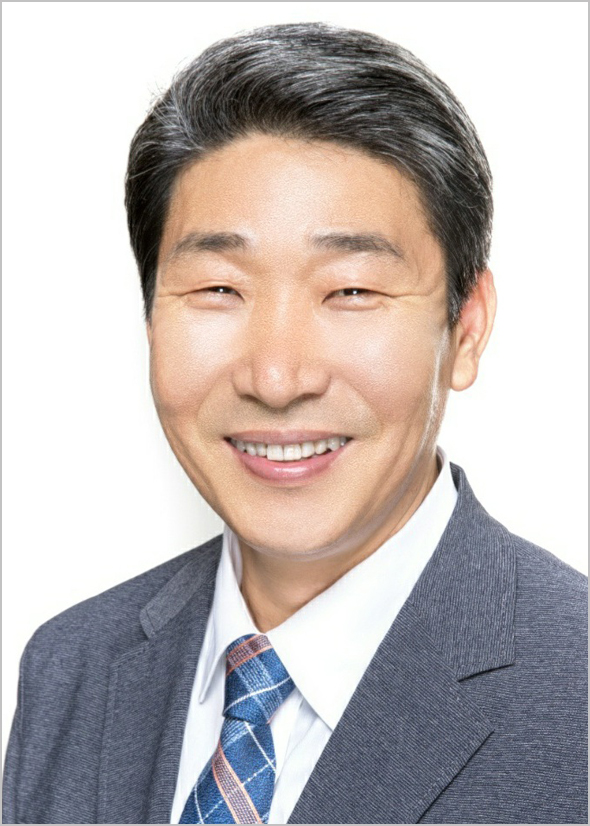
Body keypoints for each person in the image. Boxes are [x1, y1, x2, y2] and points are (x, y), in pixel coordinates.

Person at [3, 21, 586, 825]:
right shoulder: (73, 667)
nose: (276, 378)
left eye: (351, 291)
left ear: (467, 328)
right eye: (218, 289)